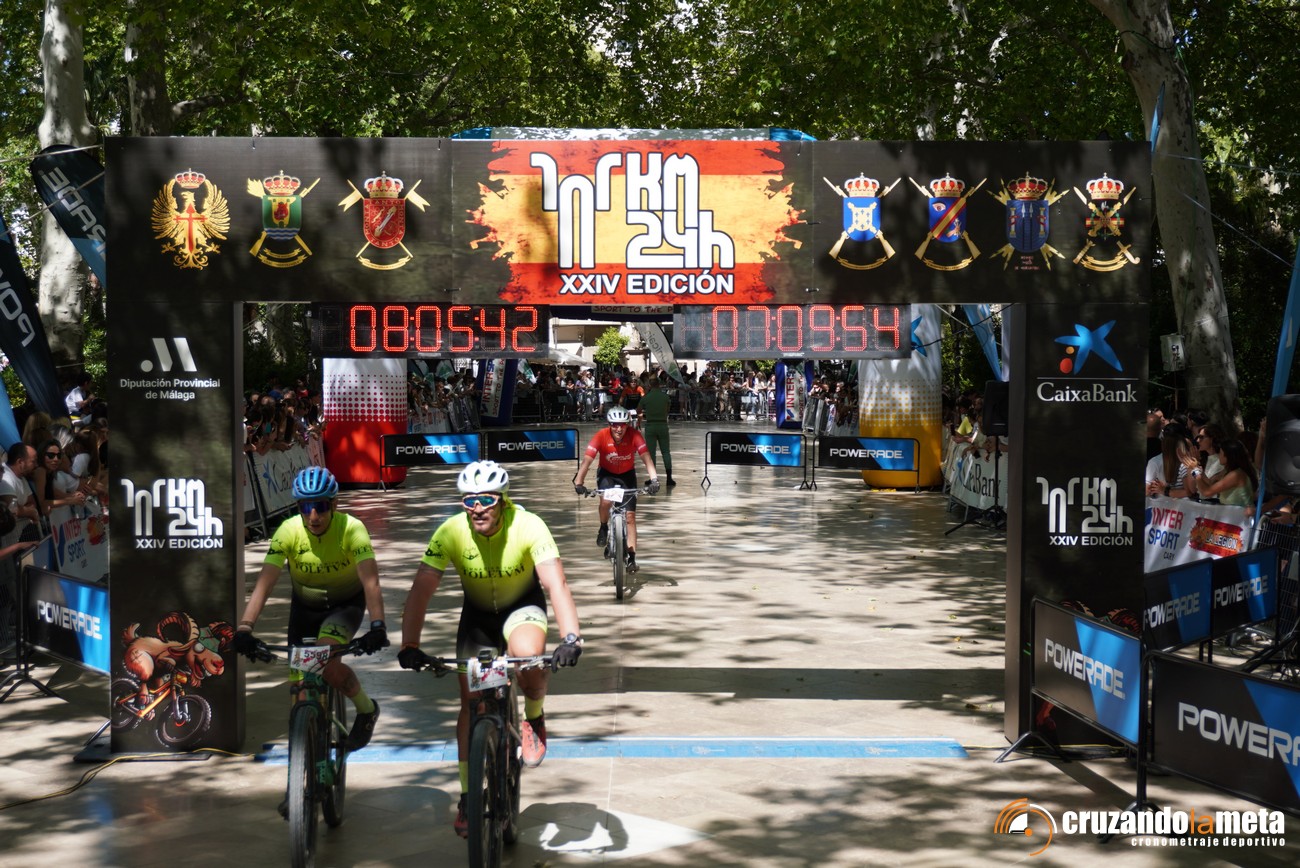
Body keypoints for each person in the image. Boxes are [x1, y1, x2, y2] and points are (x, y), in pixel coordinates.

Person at [396, 460, 583, 839]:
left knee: (527, 658)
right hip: (478, 619)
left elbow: (556, 584)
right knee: (470, 703)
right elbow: (422, 588)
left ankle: (533, 716)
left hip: (522, 609)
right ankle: (468, 794)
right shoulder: (451, 531)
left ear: (503, 500)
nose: (477, 507)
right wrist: (410, 644)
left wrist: (571, 637)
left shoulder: (528, 525)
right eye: (469, 500)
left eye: (486, 499)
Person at [233, 466, 389, 814]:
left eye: (320, 506)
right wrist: (245, 626)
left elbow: (371, 582)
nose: (313, 515)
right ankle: (298, 782)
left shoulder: (352, 529)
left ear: (334, 505)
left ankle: (366, 709)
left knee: (327, 664)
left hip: (344, 607)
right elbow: (265, 582)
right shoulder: (288, 531)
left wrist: (378, 624)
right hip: (304, 610)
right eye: (305, 507)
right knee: (300, 695)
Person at [572, 406, 660, 573]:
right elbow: (587, 460)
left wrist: (654, 479)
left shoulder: (634, 435)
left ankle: (632, 558)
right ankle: (603, 526)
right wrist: (579, 482)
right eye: (615, 425)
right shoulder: (601, 436)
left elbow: (646, 457)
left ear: (628, 425)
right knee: (606, 501)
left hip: (627, 475)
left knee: (630, 517)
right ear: (609, 425)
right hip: (607, 474)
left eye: (622, 425)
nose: (619, 429)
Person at [1184, 438, 1257, 509]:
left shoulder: (1236, 474)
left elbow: (1206, 492)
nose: (1219, 455)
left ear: (1227, 456)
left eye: (1220, 453)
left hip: (1239, 514)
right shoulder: (1228, 471)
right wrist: (1197, 466)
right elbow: (1210, 483)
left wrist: (1195, 471)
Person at [637, 373, 676, 487]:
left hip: (650, 426)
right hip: (663, 425)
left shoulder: (646, 397)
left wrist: (642, 418)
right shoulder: (665, 397)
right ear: (659, 384)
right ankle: (669, 478)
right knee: (666, 452)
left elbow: (638, 409)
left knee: (651, 453)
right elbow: (668, 409)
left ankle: (653, 478)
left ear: (650, 385)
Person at [0, 443, 40, 546]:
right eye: (33, 461)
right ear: (20, 462)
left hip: (17, 541)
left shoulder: (21, 477)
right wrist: (31, 512)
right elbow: (13, 510)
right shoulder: (6, 478)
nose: (36, 465)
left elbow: (32, 503)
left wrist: (25, 511)